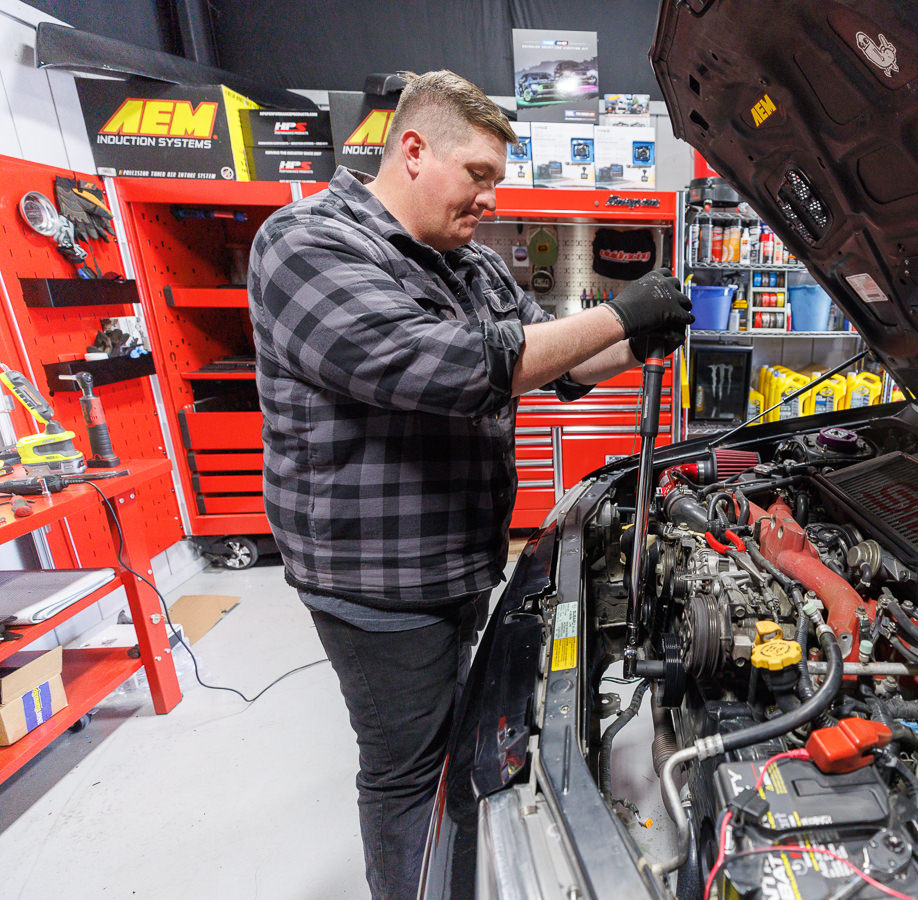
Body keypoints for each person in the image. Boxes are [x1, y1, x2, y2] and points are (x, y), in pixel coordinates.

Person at [247, 70, 692, 900]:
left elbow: (551, 359)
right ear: (414, 150)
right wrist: (618, 313)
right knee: (407, 771)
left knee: (460, 739)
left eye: (497, 180)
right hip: (377, 583)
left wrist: (638, 341)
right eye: (479, 175)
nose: (491, 198)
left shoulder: (471, 264)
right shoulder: (307, 245)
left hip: (462, 563)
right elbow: (441, 366)